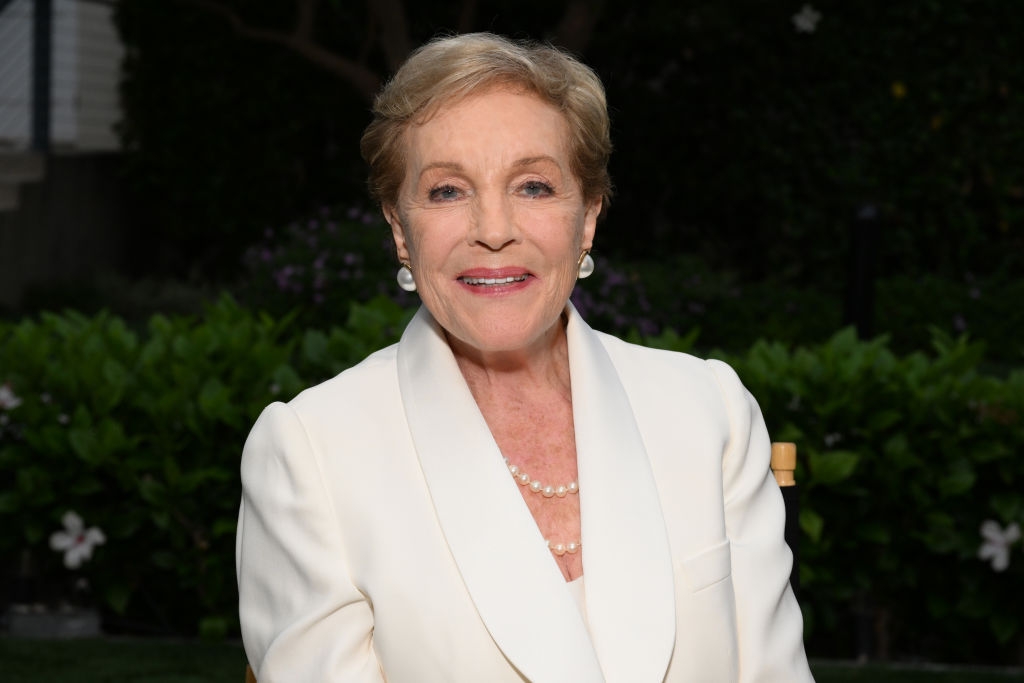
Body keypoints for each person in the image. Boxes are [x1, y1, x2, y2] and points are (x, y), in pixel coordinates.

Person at [235, 32, 814, 682]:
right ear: (400, 228)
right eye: (448, 191)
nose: (493, 229)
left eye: (533, 186)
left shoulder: (709, 411)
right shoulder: (311, 451)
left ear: (587, 216)